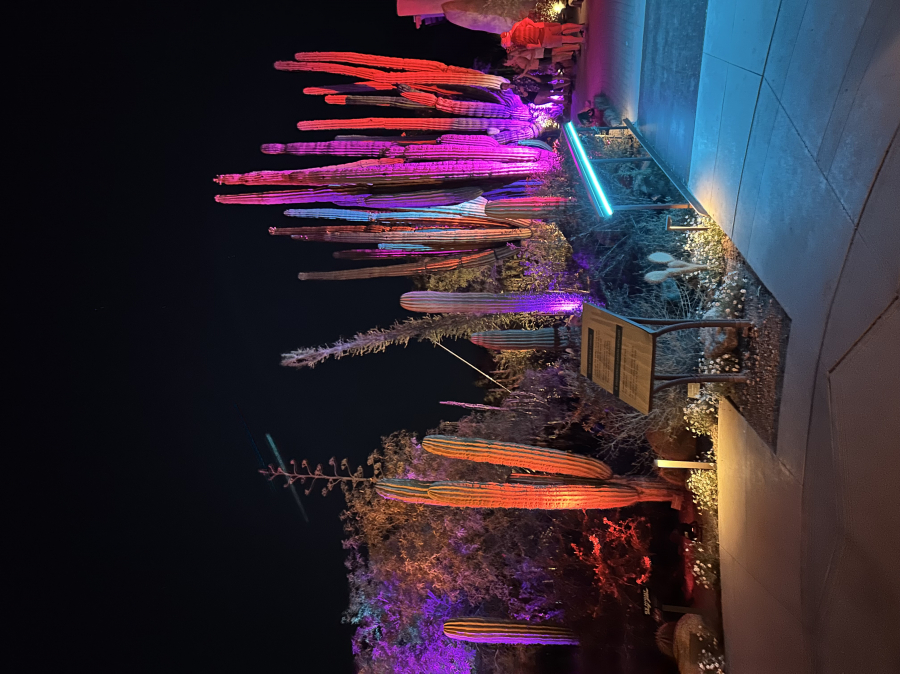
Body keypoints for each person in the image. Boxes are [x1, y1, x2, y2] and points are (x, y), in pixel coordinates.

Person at [500, 17, 584, 52]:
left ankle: (581, 40)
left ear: (507, 42)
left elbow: (529, 46)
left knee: (563, 39)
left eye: (506, 45)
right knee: (562, 27)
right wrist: (534, 26)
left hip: (543, 40)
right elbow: (526, 20)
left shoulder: (516, 42)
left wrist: (538, 45)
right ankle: (581, 27)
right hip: (542, 30)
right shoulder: (516, 28)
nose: (508, 46)